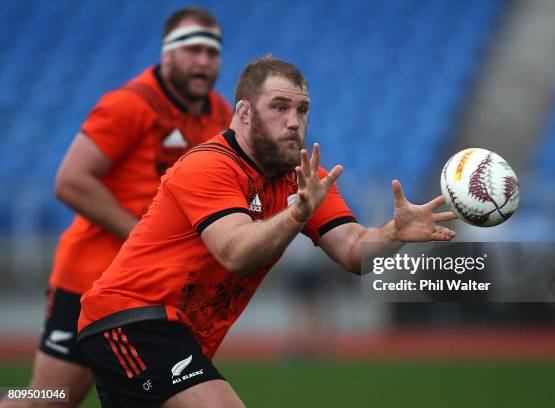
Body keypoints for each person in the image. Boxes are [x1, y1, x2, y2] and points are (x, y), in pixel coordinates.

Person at [76, 56, 456, 407]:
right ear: (243, 113)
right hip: (130, 319)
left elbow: (354, 252)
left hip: (181, 335)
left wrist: (395, 232)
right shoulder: (209, 165)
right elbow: (236, 253)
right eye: (280, 107)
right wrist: (296, 214)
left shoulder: (307, 182)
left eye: (302, 110)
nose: (294, 121)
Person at [2, 7, 232, 408]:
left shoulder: (220, 114)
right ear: (167, 53)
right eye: (192, 49)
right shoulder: (130, 105)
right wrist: (142, 238)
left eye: (212, 52)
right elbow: (70, 180)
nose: (203, 61)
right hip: (89, 277)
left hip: (150, 289)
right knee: (48, 399)